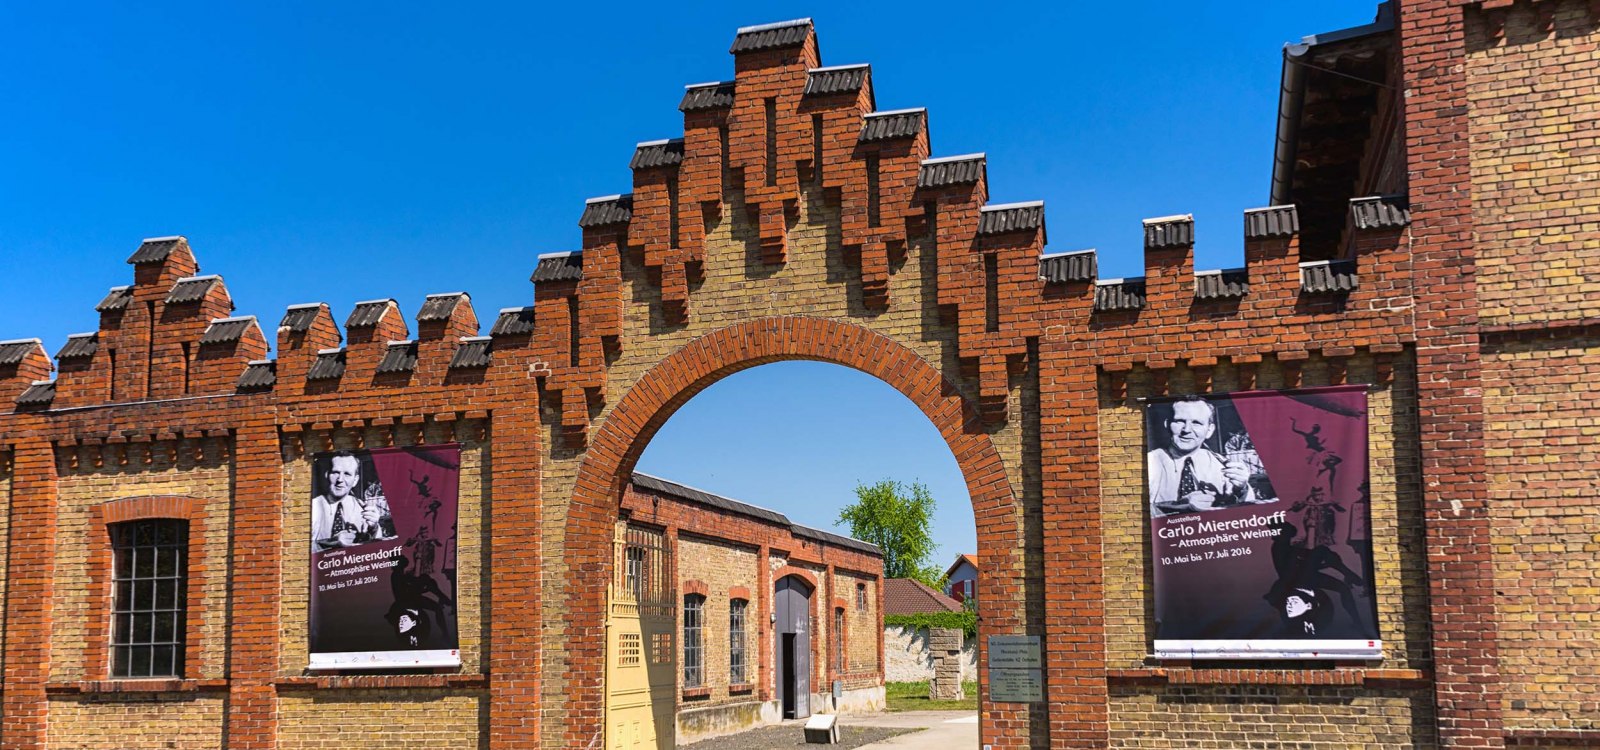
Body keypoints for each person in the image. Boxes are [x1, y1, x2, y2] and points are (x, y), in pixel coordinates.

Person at [1147, 398, 1255, 516]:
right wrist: (1178, 505)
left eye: (1196, 423)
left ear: (1209, 430)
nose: (1187, 430)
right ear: (1167, 425)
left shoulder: (1223, 465)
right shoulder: (1150, 462)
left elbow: (1246, 514)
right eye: (1179, 421)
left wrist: (1241, 489)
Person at [311, 452, 395, 552]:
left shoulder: (362, 508)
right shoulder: (312, 507)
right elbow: (299, 549)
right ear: (327, 475)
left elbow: (377, 550)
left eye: (347, 474)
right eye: (335, 472)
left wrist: (374, 527)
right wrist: (331, 542)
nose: (340, 480)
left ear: (355, 480)